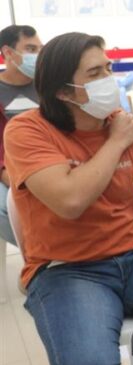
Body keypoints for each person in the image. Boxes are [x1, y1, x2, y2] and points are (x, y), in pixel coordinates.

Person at [3, 32, 133, 365]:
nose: (109, 80)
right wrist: (116, 142)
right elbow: (70, 200)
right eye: (94, 74)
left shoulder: (129, 128)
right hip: (67, 269)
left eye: (108, 68)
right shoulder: (27, 131)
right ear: (62, 91)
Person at [0, 25, 43, 246]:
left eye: (40, 49)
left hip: (47, 161)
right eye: (30, 49)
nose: (37, 55)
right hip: (6, 168)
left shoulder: (48, 87)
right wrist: (7, 173)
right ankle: (39, 254)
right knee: (4, 208)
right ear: (7, 53)